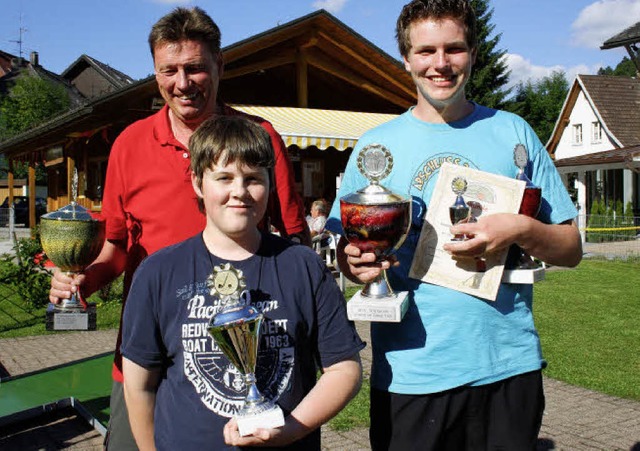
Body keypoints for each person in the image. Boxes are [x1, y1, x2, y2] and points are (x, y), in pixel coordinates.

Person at [48, 7, 309, 450]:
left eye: (195, 68)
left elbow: (294, 241)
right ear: (154, 73)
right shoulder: (129, 145)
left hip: (241, 352)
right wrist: (79, 281)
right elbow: (115, 250)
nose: (182, 83)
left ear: (220, 67)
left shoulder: (258, 136)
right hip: (149, 357)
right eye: (169, 70)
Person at [325, 1, 583, 450]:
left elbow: (571, 247)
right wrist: (357, 264)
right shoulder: (375, 147)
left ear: (473, 54)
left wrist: (520, 228)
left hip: (507, 365)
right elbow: (350, 254)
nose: (440, 64)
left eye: (454, 49)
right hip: (411, 372)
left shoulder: (514, 132)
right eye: (425, 51)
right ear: (406, 58)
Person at [120, 115, 364, 450]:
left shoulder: (304, 266)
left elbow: (344, 370)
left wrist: (291, 430)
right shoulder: (158, 272)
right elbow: (139, 385)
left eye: (253, 178)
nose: (240, 192)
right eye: (224, 177)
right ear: (197, 183)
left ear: (270, 182)